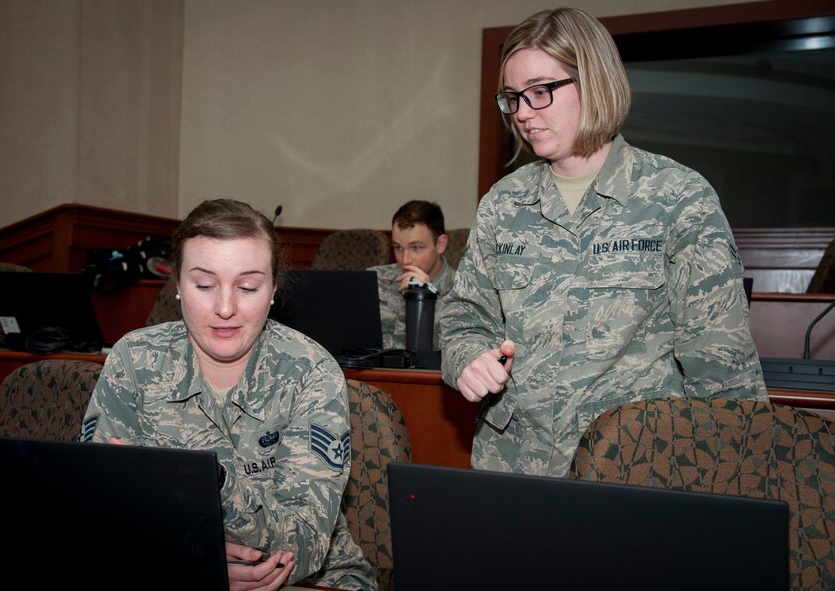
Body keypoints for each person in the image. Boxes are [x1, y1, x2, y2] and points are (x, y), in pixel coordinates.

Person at [440, 7, 768, 478]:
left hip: (636, 471)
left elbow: (721, 363)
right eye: (513, 97)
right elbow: (465, 316)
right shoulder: (503, 204)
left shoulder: (677, 197)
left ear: (594, 82)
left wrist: (735, 485)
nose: (524, 113)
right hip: (514, 469)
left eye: (540, 91)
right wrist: (468, 358)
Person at [79, 199, 377, 591]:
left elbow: (303, 544)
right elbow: (96, 520)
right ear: (178, 285)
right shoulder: (134, 361)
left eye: (248, 287)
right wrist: (195, 562)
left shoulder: (311, 371)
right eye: (204, 285)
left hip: (313, 581)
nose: (225, 308)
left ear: (273, 289)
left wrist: (206, 481)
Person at [368, 200, 455, 350]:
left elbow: (451, 354)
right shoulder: (375, 280)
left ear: (440, 244)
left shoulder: (463, 291)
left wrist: (425, 297)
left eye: (416, 248)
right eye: (398, 248)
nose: (405, 260)